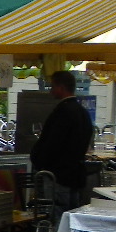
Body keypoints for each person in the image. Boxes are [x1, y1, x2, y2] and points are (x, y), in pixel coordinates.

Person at [30, 70, 95, 212]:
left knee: (57, 214)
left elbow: (53, 143)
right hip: (76, 174)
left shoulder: (62, 112)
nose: (51, 91)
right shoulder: (83, 113)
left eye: (52, 86)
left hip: (58, 175)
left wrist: (39, 160)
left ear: (61, 87)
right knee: (72, 214)